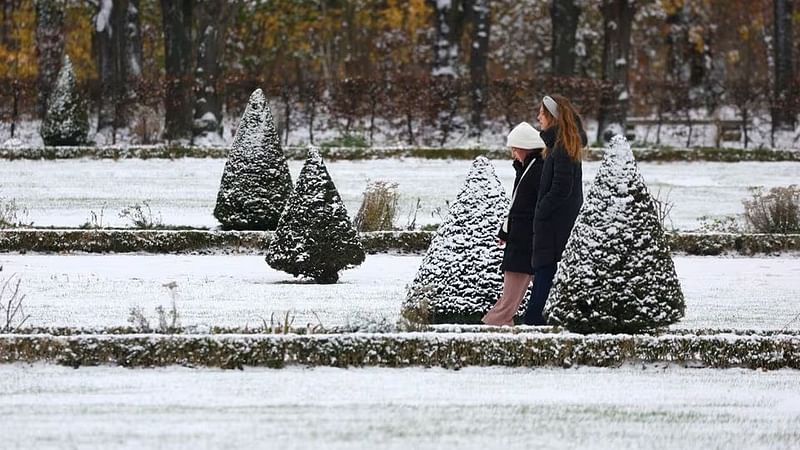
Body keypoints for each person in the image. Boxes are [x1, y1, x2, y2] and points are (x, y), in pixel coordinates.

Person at [523, 94, 587, 326]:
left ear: (552, 116)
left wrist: (541, 211)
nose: (538, 116)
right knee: (544, 278)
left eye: (542, 112)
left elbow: (562, 188)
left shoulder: (562, 148)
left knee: (544, 279)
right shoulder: (558, 146)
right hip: (555, 227)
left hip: (554, 229)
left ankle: (533, 328)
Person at [482, 122, 545, 326]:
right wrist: (505, 232)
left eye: (515, 149)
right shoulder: (528, 169)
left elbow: (522, 209)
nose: (513, 153)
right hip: (525, 242)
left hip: (524, 245)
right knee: (539, 297)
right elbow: (516, 207)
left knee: (508, 303)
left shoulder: (535, 171)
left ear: (524, 148)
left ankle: (491, 329)